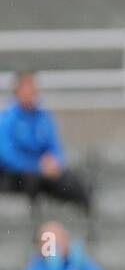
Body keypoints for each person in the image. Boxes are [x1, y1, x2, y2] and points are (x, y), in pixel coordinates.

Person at [0, 72, 91, 212]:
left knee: (75, 183)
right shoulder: (7, 119)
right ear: (17, 91)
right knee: (32, 182)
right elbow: (7, 155)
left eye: (34, 87)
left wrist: (54, 162)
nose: (32, 91)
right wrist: (36, 165)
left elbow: (55, 147)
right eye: (28, 87)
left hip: (44, 173)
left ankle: (84, 221)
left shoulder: (44, 118)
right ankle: (33, 225)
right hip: (16, 176)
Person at [21, 220, 104, 270]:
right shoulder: (36, 266)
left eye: (61, 239)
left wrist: (83, 266)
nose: (57, 246)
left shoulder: (79, 261)